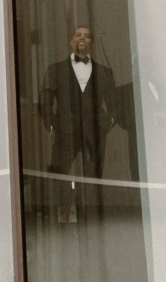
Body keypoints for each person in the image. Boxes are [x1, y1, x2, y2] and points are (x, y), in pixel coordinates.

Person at [40, 25, 118, 196]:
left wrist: (108, 122)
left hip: (95, 130)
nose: (82, 38)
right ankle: (62, 217)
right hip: (65, 130)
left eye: (87, 36)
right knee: (58, 177)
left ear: (93, 43)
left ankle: (93, 217)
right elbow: (44, 102)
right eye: (78, 35)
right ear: (71, 41)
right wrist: (52, 124)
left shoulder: (104, 72)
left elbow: (114, 103)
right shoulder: (55, 69)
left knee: (94, 180)